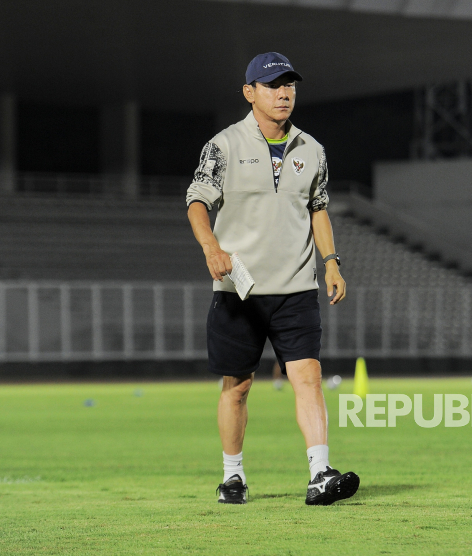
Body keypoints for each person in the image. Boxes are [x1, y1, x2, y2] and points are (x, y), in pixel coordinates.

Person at [185, 52, 359, 505]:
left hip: (296, 288)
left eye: (290, 85)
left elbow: (318, 208)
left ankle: (320, 474)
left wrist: (331, 262)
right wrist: (211, 247)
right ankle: (233, 477)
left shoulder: (312, 149)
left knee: (308, 377)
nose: (284, 93)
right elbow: (197, 200)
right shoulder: (223, 145)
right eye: (273, 85)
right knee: (237, 388)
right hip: (238, 289)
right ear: (250, 92)